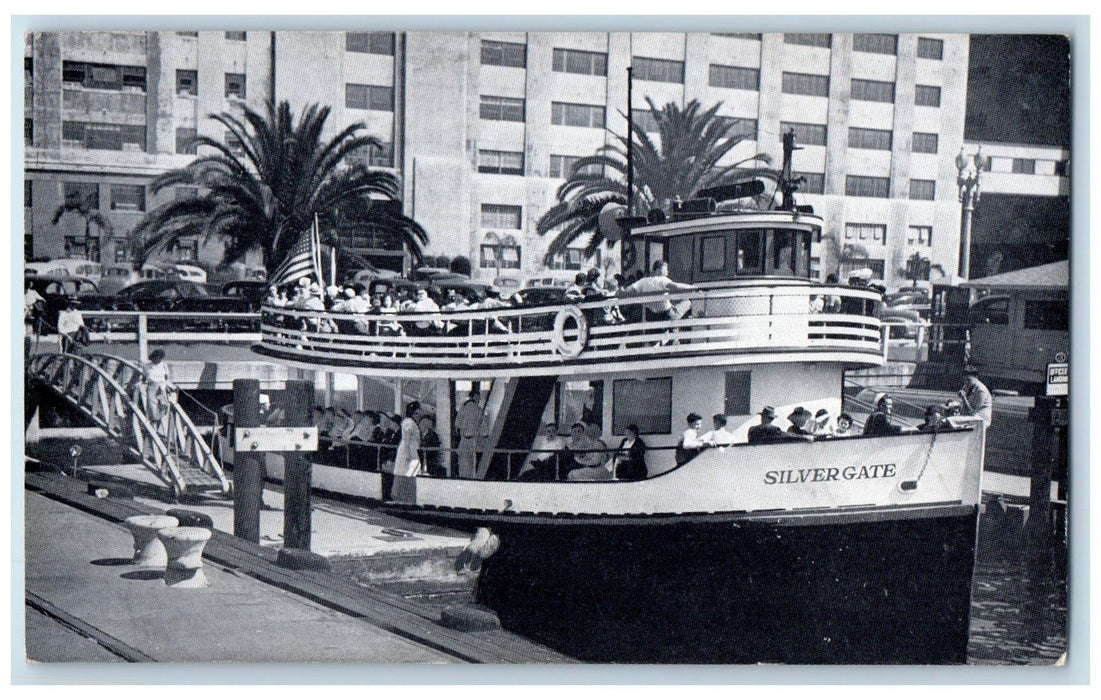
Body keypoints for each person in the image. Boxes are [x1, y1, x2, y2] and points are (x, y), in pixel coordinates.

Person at [622, 260, 698, 322]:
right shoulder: (662, 280)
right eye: (665, 270)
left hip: (652, 316)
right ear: (658, 270)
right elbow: (676, 286)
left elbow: (628, 290)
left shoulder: (643, 281)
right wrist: (693, 287)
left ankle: (672, 337)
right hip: (667, 315)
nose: (667, 272)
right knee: (688, 301)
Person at [454, 387, 486, 479]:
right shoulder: (479, 410)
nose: (479, 399)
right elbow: (484, 430)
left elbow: (457, 426)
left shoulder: (462, 409)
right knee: (473, 468)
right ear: (475, 397)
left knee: (463, 467)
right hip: (475, 443)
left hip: (463, 442)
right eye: (479, 398)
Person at [143, 349, 174, 427]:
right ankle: (153, 423)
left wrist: (167, 385)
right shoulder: (147, 365)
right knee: (152, 405)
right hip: (152, 386)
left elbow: (167, 377)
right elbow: (144, 377)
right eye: (156, 357)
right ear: (153, 357)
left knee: (163, 405)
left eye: (160, 358)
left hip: (162, 386)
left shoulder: (164, 365)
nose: (158, 359)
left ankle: (159, 421)